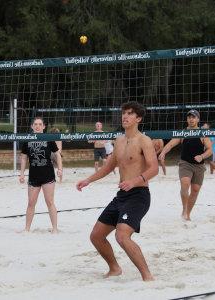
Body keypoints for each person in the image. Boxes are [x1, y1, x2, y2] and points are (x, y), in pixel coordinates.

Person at [77, 102, 158, 281]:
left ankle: (148, 277)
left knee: (121, 236)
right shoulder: (119, 140)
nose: (125, 116)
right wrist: (88, 180)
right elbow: (108, 167)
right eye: (124, 113)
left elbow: (154, 169)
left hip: (139, 195)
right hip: (121, 196)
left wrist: (135, 181)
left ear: (138, 118)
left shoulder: (144, 140)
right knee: (96, 236)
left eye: (130, 114)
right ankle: (115, 268)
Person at [158, 110, 212, 221]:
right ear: (187, 119)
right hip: (185, 164)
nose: (191, 119)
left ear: (198, 119)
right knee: (185, 184)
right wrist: (163, 152)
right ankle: (184, 209)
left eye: (194, 117)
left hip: (199, 166)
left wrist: (202, 156)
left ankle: (187, 212)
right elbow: (171, 143)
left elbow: (210, 149)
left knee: (195, 190)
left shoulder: (203, 133)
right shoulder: (183, 133)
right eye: (189, 117)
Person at [19, 117, 63, 233]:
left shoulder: (48, 139)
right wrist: (22, 174)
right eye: (35, 124)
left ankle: (55, 228)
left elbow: (57, 155)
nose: (37, 126)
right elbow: (23, 158)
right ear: (32, 126)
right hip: (34, 175)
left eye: (40, 124)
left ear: (44, 126)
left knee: (50, 202)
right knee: (31, 203)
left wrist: (60, 169)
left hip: (48, 175)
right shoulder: (27, 140)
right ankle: (27, 229)